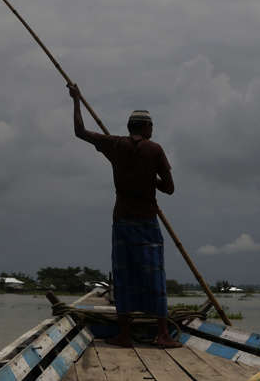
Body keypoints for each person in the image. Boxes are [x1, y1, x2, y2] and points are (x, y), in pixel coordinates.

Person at [68, 83, 181, 348]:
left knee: (125, 276)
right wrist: (150, 179)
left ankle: (125, 335)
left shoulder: (114, 145)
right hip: (146, 222)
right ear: (146, 128)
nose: (152, 132)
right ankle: (162, 334)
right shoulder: (155, 150)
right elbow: (170, 188)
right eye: (151, 128)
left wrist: (76, 100)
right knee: (154, 275)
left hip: (122, 221)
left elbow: (79, 132)